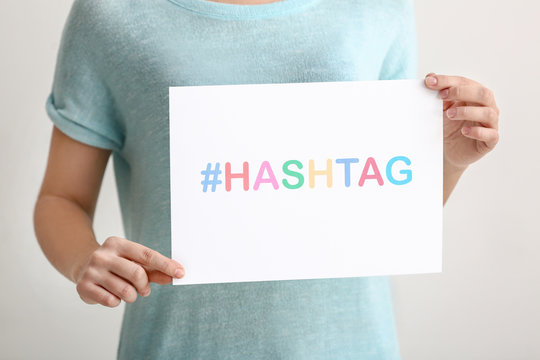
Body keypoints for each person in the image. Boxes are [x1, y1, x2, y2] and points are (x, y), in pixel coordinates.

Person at [33, 0, 500, 359]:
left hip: (350, 345)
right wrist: (85, 262)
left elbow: (379, 215)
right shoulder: (112, 13)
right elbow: (61, 197)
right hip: (179, 345)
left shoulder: (376, 8)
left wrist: (451, 160)